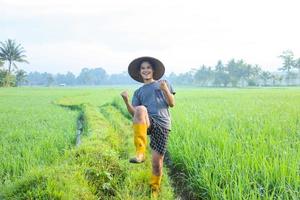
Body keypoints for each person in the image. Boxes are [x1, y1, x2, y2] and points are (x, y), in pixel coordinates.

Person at [120, 56, 175, 198]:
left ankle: (155, 189)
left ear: (153, 70)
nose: (145, 70)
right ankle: (140, 152)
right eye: (143, 68)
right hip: (148, 121)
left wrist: (165, 90)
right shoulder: (138, 92)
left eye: (148, 67)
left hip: (162, 124)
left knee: (157, 163)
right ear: (139, 72)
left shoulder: (163, 83)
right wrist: (126, 101)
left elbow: (172, 103)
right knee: (141, 109)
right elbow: (135, 113)